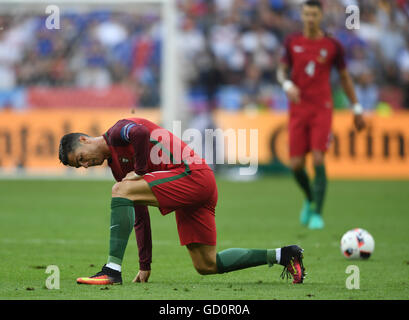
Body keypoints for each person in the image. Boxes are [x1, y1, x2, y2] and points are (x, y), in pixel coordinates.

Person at [58, 117, 306, 285]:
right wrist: (145, 264)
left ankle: (112, 270)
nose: (85, 164)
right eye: (79, 165)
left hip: (192, 175)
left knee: (119, 190)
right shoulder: (118, 170)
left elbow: (141, 132)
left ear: (84, 140)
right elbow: (140, 215)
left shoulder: (115, 133)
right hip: (196, 185)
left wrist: (141, 170)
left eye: (80, 158)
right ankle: (283, 255)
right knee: (206, 264)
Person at [277, 0, 365, 230]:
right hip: (297, 108)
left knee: (317, 158)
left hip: (322, 108)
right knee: (296, 164)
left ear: (320, 16)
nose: (310, 18)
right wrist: (287, 85)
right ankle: (309, 197)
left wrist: (356, 107)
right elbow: (281, 71)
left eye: (314, 14)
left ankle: (317, 213)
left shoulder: (333, 45)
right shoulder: (292, 42)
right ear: (302, 15)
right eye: (306, 14)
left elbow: (345, 77)